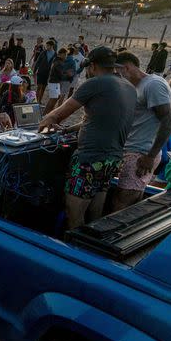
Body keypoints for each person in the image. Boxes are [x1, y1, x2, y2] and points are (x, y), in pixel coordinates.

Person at [38, 47, 135, 230]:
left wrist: (37, 129)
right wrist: (68, 130)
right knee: (95, 212)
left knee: (73, 213)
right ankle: (90, 246)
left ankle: (75, 251)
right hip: (111, 159)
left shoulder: (95, 83)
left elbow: (55, 115)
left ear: (93, 66)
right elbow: (101, 120)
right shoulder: (128, 87)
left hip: (89, 160)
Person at [110, 52, 171, 212]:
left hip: (141, 153)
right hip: (134, 151)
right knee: (129, 202)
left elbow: (168, 122)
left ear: (127, 67)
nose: (116, 75)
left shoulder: (153, 85)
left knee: (121, 204)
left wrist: (150, 156)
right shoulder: (137, 86)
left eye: (118, 70)